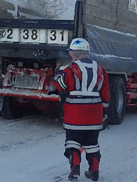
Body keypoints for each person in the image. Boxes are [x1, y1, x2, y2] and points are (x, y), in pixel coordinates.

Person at [52, 38, 110, 181]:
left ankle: (75, 168)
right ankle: (94, 171)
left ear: (76, 54)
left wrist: (60, 80)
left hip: (75, 115)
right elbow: (106, 94)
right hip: (95, 115)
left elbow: (58, 85)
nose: (70, 55)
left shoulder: (71, 69)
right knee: (92, 144)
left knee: (72, 142)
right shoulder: (100, 70)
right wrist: (105, 111)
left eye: (71, 52)